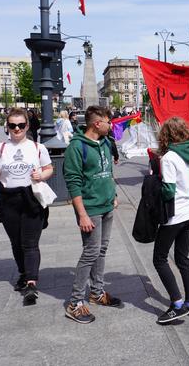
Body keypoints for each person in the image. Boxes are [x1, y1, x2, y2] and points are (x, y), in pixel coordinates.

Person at [0, 107, 53, 306]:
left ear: (27, 126)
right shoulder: (0, 149)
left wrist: (42, 175)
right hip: (8, 200)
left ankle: (31, 282)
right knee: (16, 242)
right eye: (12, 125)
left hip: (32, 199)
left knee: (30, 243)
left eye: (21, 125)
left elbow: (49, 169)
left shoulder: (38, 148)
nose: (17, 129)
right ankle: (23, 272)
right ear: (7, 127)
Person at [64, 106, 121, 324]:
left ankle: (97, 293)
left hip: (106, 205)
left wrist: (113, 193)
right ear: (97, 124)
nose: (111, 124)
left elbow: (108, 172)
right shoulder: (77, 147)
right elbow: (73, 183)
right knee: (91, 252)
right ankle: (75, 302)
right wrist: (82, 215)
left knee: (101, 250)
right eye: (108, 121)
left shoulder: (105, 142)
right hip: (90, 209)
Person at [154, 117, 189, 324]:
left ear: (167, 135)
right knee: (183, 259)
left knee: (160, 259)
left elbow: (168, 191)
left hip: (174, 215)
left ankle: (177, 303)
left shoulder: (169, 157)